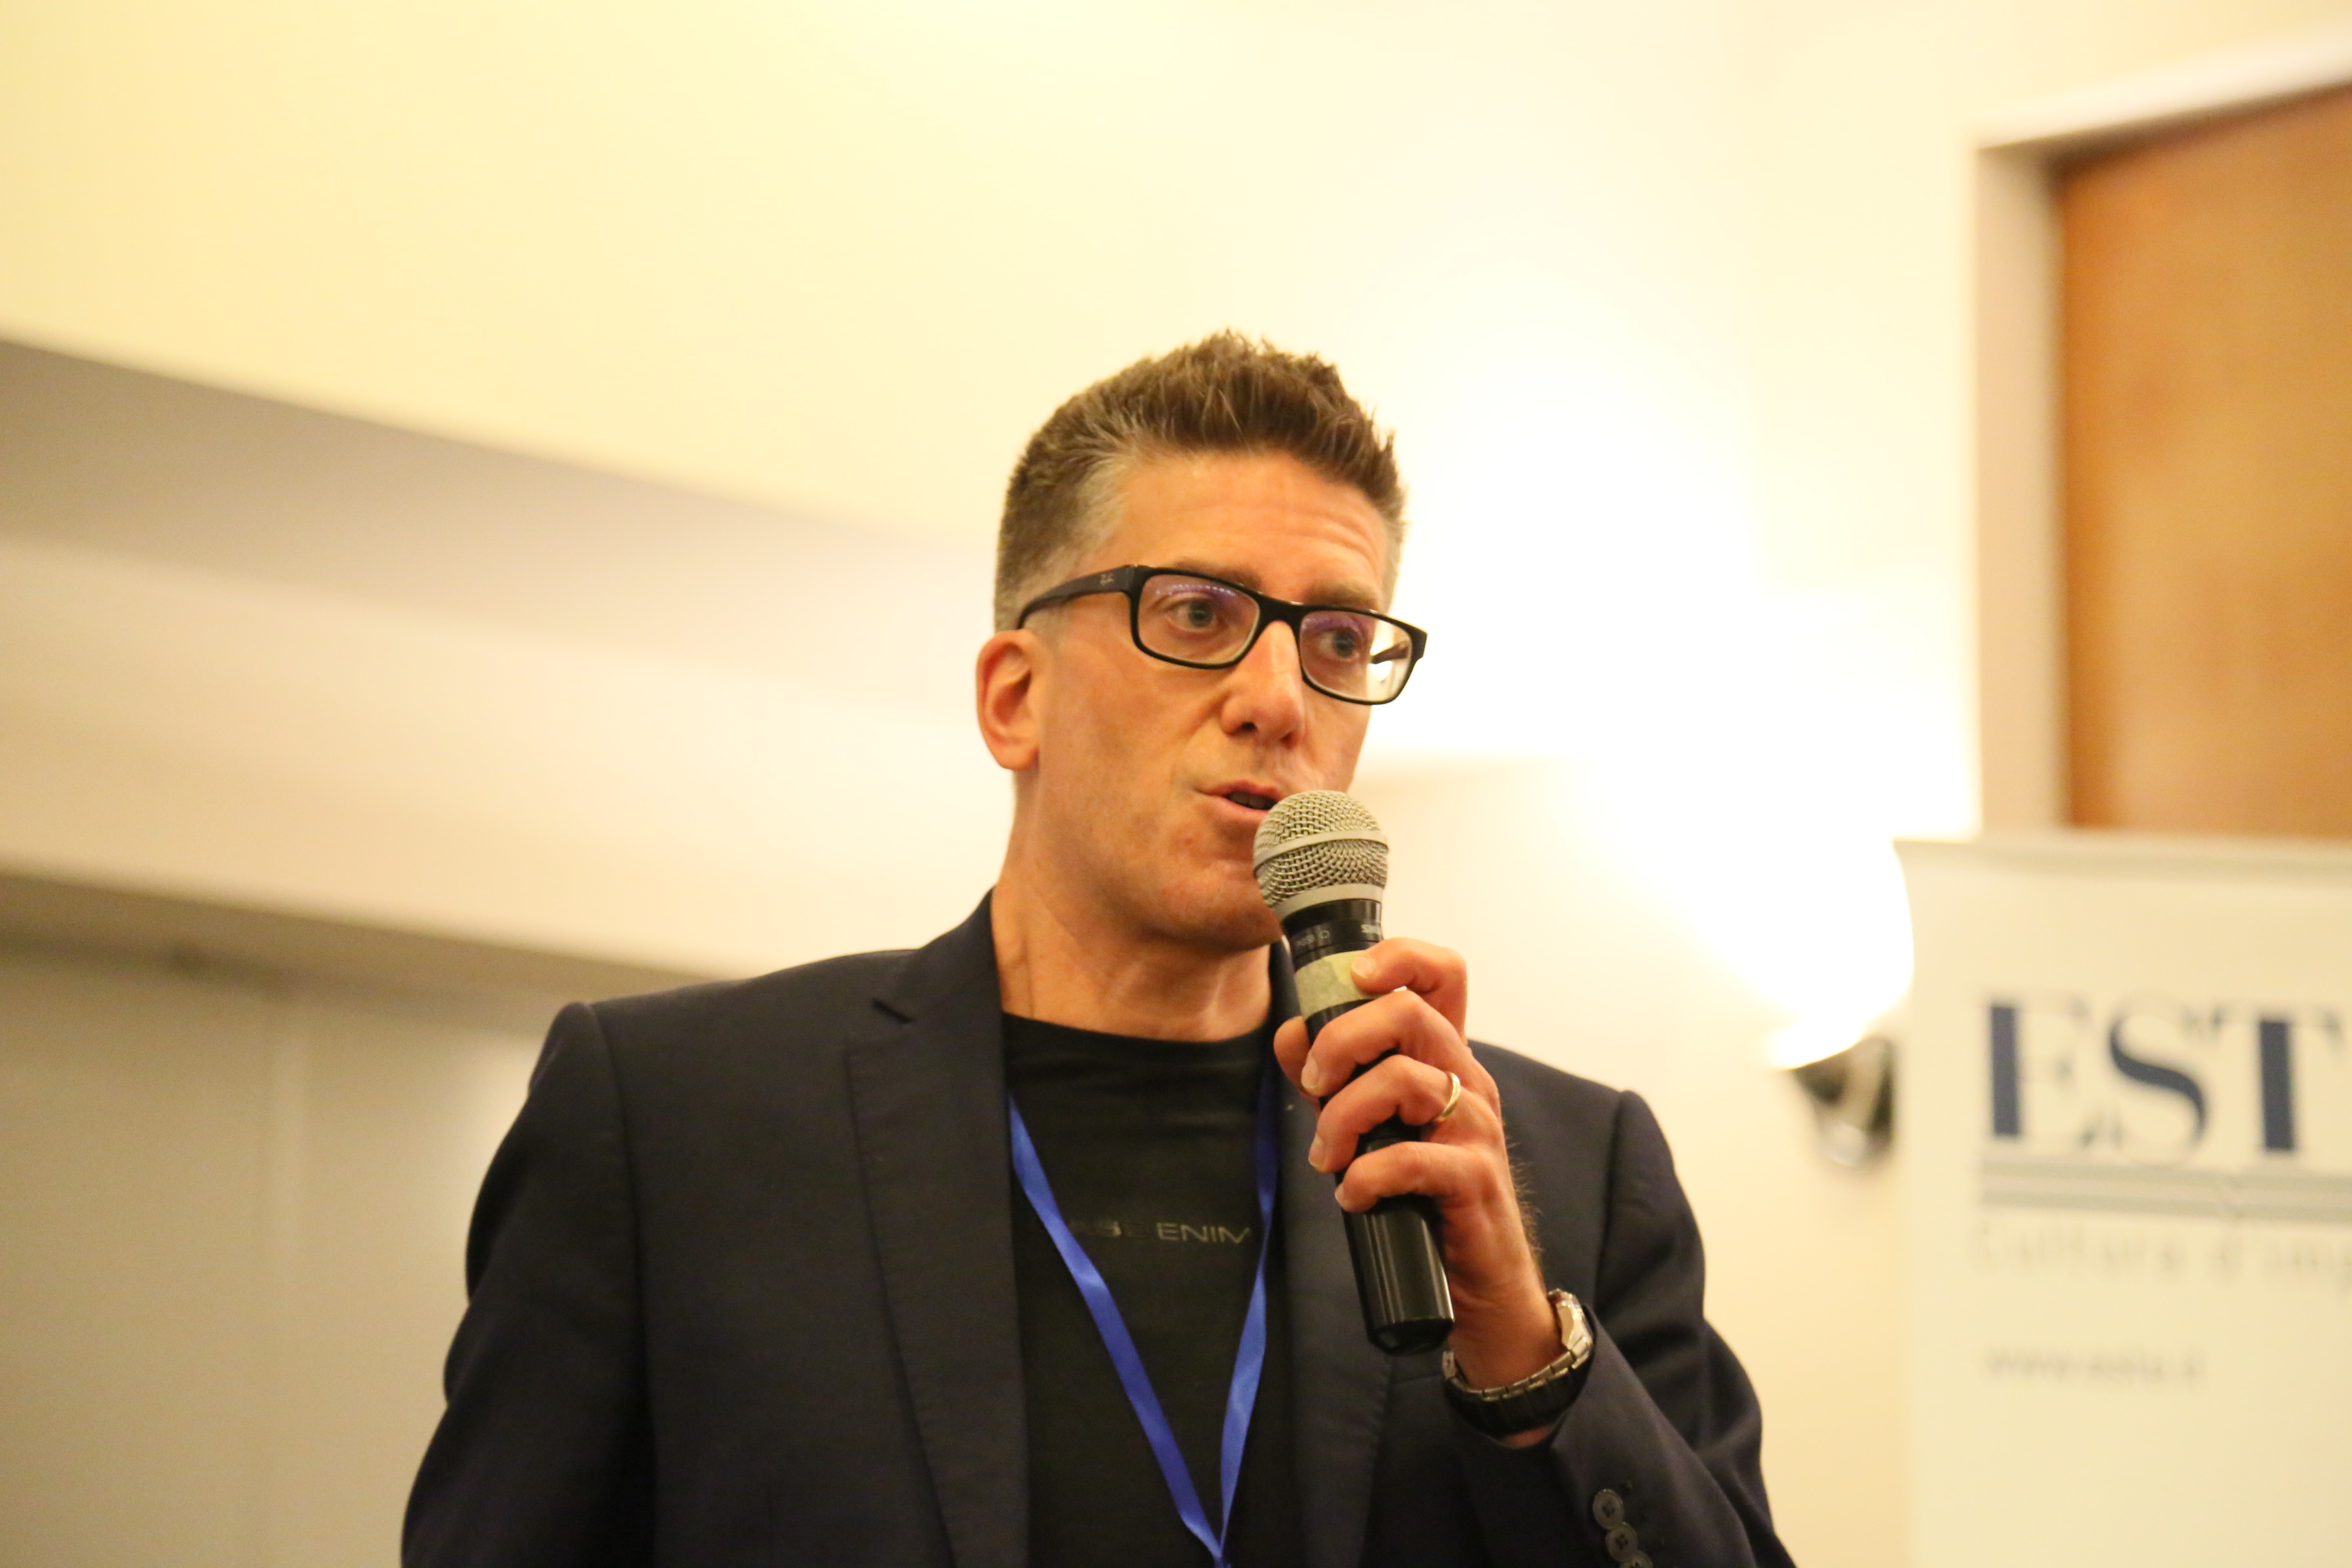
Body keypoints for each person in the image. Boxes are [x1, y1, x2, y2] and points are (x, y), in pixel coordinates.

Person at [404, 334, 1794, 1568]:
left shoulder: (1555, 1176)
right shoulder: (673, 1122)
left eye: (1336, 637)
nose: (1277, 699)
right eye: (1197, 614)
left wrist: (1528, 1360)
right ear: (1016, 698)